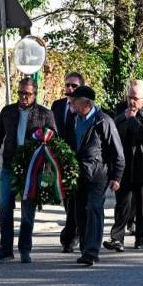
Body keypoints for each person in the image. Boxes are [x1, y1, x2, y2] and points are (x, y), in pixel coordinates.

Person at [0, 77, 56, 264]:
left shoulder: (45, 114)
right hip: (9, 166)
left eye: (28, 94)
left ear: (35, 94)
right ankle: (5, 249)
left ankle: (25, 249)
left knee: (27, 211)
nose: (23, 97)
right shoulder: (8, 112)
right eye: (21, 93)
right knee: (5, 207)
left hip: (32, 169)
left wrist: (48, 169)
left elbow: (53, 143)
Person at [71, 86, 124, 265]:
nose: (71, 102)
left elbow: (117, 152)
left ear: (86, 102)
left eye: (74, 100)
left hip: (97, 175)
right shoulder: (73, 120)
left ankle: (92, 252)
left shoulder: (104, 121)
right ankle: (85, 249)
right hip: (77, 174)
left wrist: (116, 177)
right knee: (80, 212)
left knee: (94, 209)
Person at [104, 80, 143, 252]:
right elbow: (112, 128)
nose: (132, 101)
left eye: (136, 98)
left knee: (142, 205)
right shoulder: (121, 109)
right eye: (130, 97)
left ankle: (140, 238)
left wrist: (133, 119)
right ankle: (116, 239)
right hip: (124, 164)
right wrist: (124, 117)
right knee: (122, 204)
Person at [51, 72, 83, 253]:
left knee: (76, 199)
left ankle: (71, 235)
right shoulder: (57, 105)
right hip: (60, 160)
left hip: (79, 161)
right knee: (67, 198)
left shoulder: (84, 106)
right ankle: (72, 231)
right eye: (68, 85)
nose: (70, 89)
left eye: (74, 86)